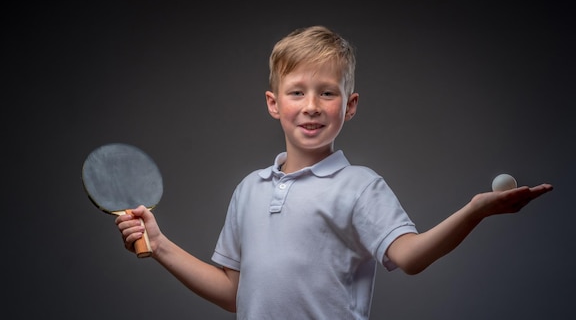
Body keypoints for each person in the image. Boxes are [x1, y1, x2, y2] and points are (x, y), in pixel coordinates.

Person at [115, 25, 553, 319]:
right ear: (273, 103)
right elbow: (237, 293)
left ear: (350, 105)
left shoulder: (361, 186)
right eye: (297, 92)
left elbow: (410, 257)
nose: (311, 106)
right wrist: (161, 246)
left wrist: (474, 211)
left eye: (327, 93)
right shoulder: (248, 189)